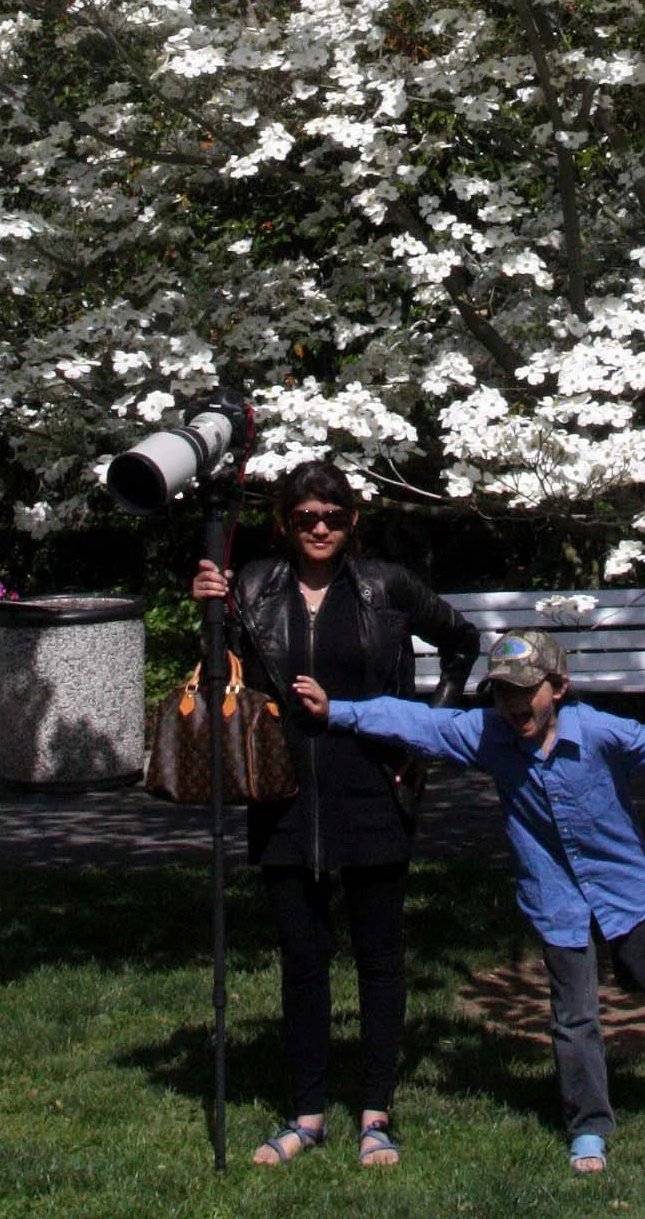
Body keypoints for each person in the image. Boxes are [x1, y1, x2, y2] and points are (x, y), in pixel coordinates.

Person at [294, 626, 645, 1176]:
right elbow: (416, 721)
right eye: (503, 692)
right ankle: (588, 1128)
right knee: (575, 1016)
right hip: (555, 899)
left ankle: (628, 981)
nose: (514, 703)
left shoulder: (602, 733)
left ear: (560, 688)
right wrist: (337, 709)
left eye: (526, 690)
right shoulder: (486, 736)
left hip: (625, 888)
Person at [191, 460, 479, 1171]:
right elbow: (218, 678)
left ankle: (376, 1113)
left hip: (372, 788)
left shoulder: (386, 587)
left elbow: (462, 643)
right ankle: (308, 1111)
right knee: (303, 961)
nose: (320, 528)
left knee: (379, 959)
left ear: (353, 522)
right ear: (285, 525)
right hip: (283, 793)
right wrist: (209, 610)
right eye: (305, 518)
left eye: (334, 516)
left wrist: (425, 734)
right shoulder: (253, 587)